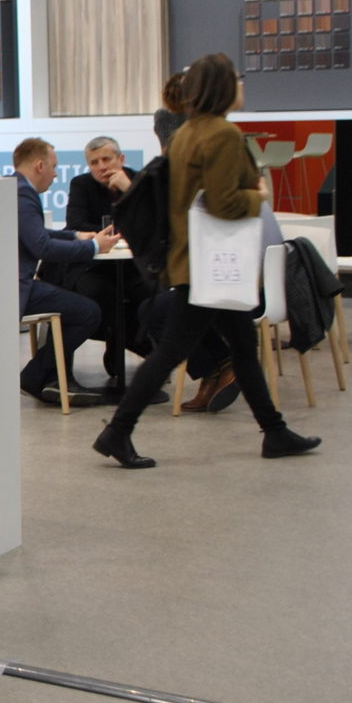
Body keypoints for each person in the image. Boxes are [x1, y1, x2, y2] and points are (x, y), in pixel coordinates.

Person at [91, 53, 321, 469]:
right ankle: (117, 432)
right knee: (173, 352)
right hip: (211, 266)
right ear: (222, 87)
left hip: (198, 262)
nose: (242, 85)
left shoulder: (188, 134)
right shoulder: (222, 135)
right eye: (237, 78)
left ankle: (274, 431)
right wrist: (258, 196)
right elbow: (223, 202)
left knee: (243, 348)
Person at [14, 138, 118, 407]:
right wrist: (94, 247)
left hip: (14, 283)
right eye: (53, 167)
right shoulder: (23, 195)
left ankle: (42, 376)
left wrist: (76, 236)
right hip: (17, 288)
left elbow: (36, 234)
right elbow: (42, 247)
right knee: (88, 312)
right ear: (40, 166)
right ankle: (35, 375)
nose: (56, 174)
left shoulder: (12, 188)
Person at [54, 135, 158, 393]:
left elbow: (154, 222)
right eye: (94, 162)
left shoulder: (138, 180)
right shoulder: (81, 185)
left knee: (149, 293)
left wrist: (128, 190)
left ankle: (138, 349)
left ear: (121, 159)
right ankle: (120, 345)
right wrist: (122, 232)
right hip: (94, 265)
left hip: (132, 265)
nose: (101, 166)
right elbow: (76, 224)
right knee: (100, 292)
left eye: (106, 159)